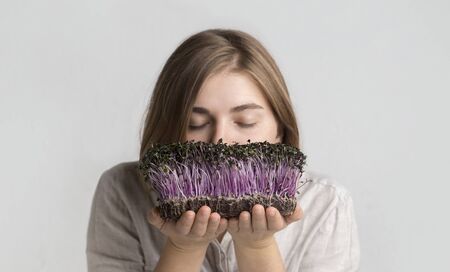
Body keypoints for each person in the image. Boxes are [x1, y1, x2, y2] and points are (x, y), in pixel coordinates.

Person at [86, 28, 360, 272]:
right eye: (197, 123)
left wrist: (257, 247)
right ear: (168, 129)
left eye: (245, 122)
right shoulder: (121, 190)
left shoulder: (327, 204)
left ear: (281, 128)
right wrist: (184, 248)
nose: (220, 141)